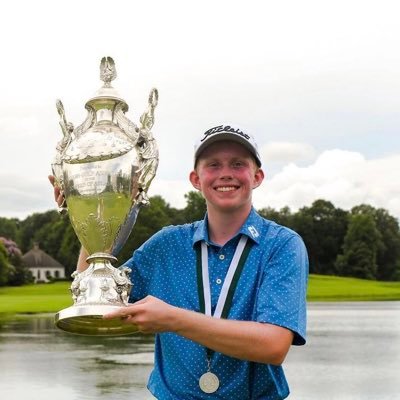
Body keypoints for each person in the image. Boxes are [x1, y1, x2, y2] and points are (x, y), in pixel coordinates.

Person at [50, 123, 308, 399]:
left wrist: (173, 319)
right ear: (195, 179)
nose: (225, 174)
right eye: (213, 164)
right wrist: (90, 208)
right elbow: (95, 301)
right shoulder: (167, 244)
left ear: (257, 176)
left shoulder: (281, 244)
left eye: (237, 164)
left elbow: (273, 346)